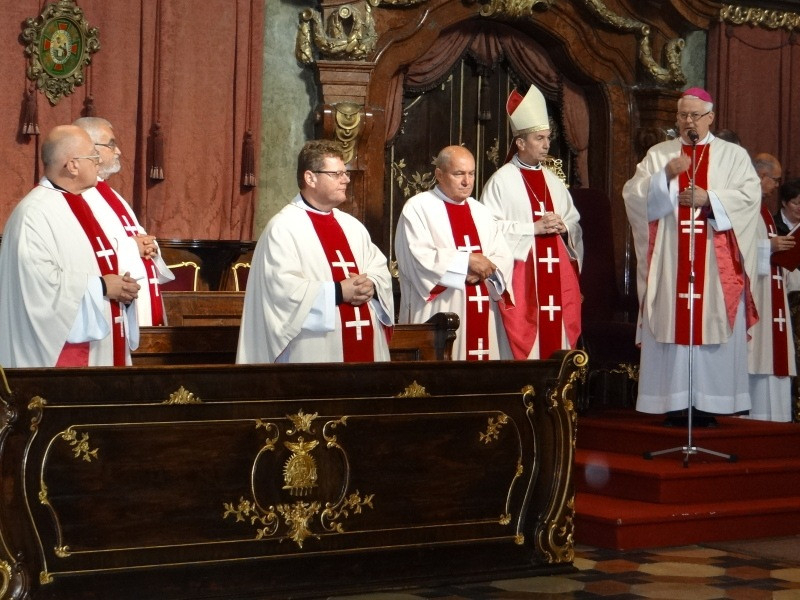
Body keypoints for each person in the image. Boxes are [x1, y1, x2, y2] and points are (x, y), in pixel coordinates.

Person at [623, 87, 762, 423]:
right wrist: (665, 178)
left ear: (710, 117)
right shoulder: (659, 154)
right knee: (670, 319)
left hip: (716, 265)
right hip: (670, 261)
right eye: (682, 115)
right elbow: (633, 196)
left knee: (711, 321)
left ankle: (711, 404)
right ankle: (672, 402)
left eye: (695, 115)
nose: (688, 121)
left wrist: (710, 199)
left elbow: (749, 198)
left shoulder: (733, 156)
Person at [236, 139, 393, 363]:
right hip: (312, 350)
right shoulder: (283, 228)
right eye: (337, 174)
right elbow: (281, 293)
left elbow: (378, 268)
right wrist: (338, 292)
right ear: (310, 178)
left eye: (345, 173)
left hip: (364, 343)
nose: (346, 179)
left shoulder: (352, 226)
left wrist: (372, 285)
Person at [0, 125, 141, 367]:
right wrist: (102, 286)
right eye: (93, 157)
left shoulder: (79, 204)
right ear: (73, 165)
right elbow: (36, 287)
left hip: (103, 342)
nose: (98, 163)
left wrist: (122, 288)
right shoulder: (34, 213)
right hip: (60, 353)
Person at [481, 85, 584, 360]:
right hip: (523, 282)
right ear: (521, 143)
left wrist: (565, 228)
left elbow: (574, 223)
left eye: (548, 138)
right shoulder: (501, 181)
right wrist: (532, 229)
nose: (547, 144)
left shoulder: (554, 182)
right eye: (539, 138)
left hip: (557, 278)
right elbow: (488, 231)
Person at [394, 145, 513, 360]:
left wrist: (484, 270)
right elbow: (417, 258)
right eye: (458, 174)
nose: (467, 181)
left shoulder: (481, 211)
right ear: (439, 174)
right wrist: (466, 262)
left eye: (471, 174)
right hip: (440, 311)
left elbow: (503, 256)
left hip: (484, 310)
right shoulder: (418, 208)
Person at [74, 117, 174, 326]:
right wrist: (133, 248)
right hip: (110, 301)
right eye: (111, 144)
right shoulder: (77, 195)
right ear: (89, 147)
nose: (118, 151)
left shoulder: (109, 193)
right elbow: (87, 252)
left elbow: (136, 236)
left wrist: (150, 246)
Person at [747, 154, 795, 422]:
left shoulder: (763, 209)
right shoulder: (745, 205)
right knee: (759, 355)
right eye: (775, 180)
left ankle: (776, 419)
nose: (777, 185)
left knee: (772, 354)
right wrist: (770, 246)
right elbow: (734, 249)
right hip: (756, 295)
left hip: (771, 288)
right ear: (761, 176)